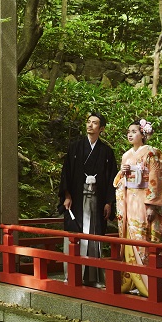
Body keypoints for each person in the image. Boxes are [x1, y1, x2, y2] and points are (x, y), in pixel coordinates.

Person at [113, 118, 162, 301]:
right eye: (129, 132)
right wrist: (122, 173)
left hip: (143, 200)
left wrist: (151, 205)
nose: (130, 134)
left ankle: (146, 283)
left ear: (143, 134)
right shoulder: (126, 155)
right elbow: (118, 182)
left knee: (142, 240)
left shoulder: (150, 153)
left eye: (134, 131)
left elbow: (156, 179)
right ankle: (132, 280)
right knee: (129, 238)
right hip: (129, 202)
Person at [58, 112, 117, 286]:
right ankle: (72, 275)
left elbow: (111, 177)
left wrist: (108, 202)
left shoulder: (106, 152)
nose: (90, 125)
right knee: (75, 235)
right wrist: (66, 195)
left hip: (97, 202)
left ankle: (93, 277)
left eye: (95, 123)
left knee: (94, 235)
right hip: (76, 199)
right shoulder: (75, 148)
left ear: (102, 129)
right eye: (88, 122)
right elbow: (66, 173)